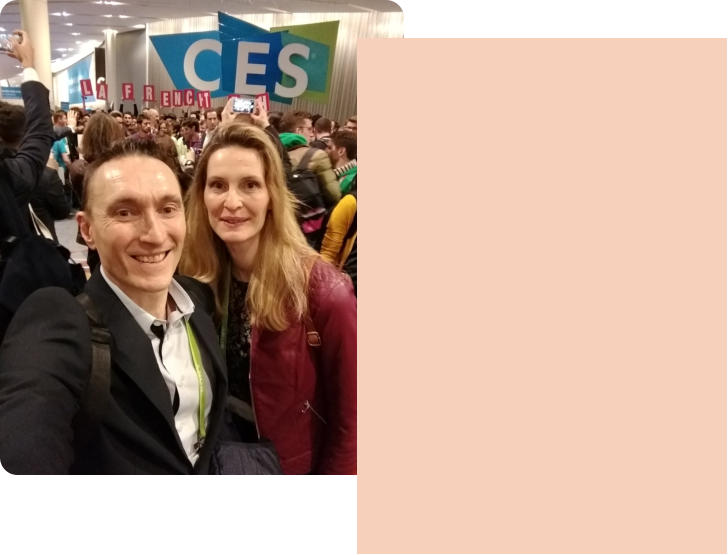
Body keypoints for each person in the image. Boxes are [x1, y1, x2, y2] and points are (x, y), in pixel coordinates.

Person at [0, 139, 227, 474]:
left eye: (167, 209)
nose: (155, 234)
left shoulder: (196, 298)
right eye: (125, 212)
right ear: (87, 229)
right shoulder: (60, 321)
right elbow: (28, 430)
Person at [179, 122, 356, 474]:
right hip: (215, 459)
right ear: (202, 196)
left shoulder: (324, 293)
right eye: (218, 185)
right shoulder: (194, 277)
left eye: (250, 185)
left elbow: (352, 423)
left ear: (272, 195)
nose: (232, 202)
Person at [326, 129, 357, 195]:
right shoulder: (331, 174)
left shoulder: (353, 180)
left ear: (341, 151)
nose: (325, 151)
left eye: (329, 147)